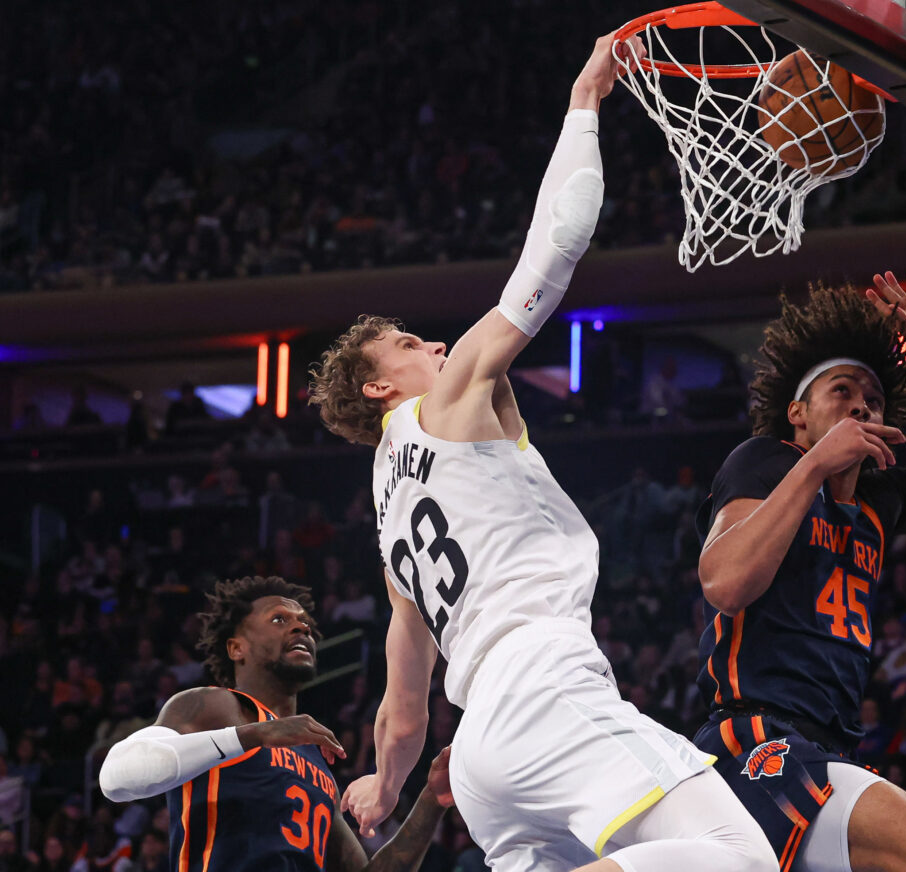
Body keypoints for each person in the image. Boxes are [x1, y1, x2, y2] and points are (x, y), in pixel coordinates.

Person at [307, 34, 776, 872]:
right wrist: (585, 106)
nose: (437, 342)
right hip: (543, 687)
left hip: (484, 752)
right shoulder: (444, 404)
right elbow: (552, 253)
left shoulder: (389, 533)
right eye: (411, 342)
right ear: (382, 391)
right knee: (733, 853)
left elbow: (403, 706)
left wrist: (384, 783)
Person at [692, 272, 906, 872]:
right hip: (754, 736)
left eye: (872, 399)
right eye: (841, 391)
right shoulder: (767, 462)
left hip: (829, 745)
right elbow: (725, 583)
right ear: (797, 412)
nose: (862, 405)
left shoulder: (877, 501)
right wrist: (817, 463)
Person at [98, 576, 452, 871]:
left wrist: (431, 801)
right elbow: (116, 778)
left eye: (306, 624)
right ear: (237, 648)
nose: (302, 626)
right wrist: (258, 733)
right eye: (279, 619)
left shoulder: (315, 762)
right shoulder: (214, 706)